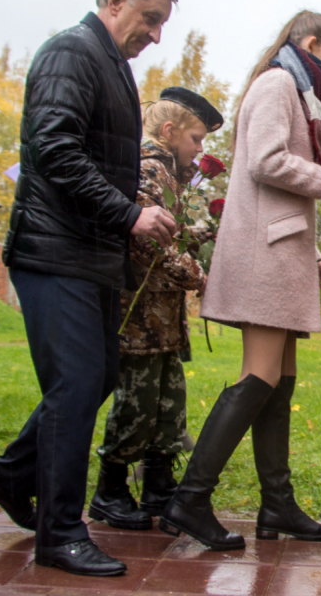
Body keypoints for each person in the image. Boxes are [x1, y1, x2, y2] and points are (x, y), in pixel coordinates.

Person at [0, 0, 179, 577]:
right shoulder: (71, 51)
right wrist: (129, 215)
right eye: (151, 20)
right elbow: (55, 148)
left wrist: (129, 217)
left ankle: (11, 477)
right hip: (54, 252)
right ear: (116, 1)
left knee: (95, 378)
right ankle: (59, 532)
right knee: (75, 385)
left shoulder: (110, 65)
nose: (156, 36)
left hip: (90, 258)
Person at [158, 11, 321, 551]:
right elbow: (266, 163)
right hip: (265, 254)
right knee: (260, 376)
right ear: (309, 42)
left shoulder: (297, 91)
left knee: (280, 379)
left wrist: (312, 251)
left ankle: (277, 505)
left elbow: (278, 187)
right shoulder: (277, 83)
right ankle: (190, 499)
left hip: (283, 250)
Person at [91, 88, 223, 531]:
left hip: (162, 320)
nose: (201, 149)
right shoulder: (147, 170)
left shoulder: (170, 177)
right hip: (140, 317)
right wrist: (201, 280)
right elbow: (148, 242)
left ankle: (159, 486)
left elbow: (175, 232)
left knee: (168, 404)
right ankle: (110, 491)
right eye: (197, 139)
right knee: (136, 403)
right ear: (169, 132)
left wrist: (205, 232)